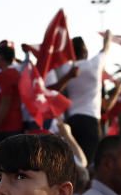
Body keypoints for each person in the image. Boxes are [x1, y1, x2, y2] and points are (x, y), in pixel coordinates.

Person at [46, 32, 112, 161]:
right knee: (87, 161)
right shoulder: (95, 64)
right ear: (85, 51)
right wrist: (108, 36)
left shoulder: (66, 69)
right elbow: (106, 48)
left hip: (71, 121)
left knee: (73, 161)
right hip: (91, 122)